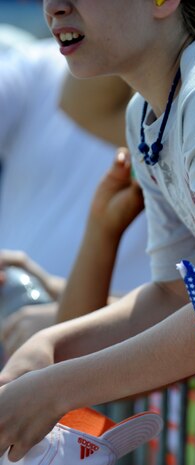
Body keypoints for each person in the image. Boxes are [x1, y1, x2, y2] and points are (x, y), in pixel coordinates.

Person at [0, 0, 195, 460]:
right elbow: (175, 294)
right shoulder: (146, 112)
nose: (53, 7)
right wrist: (49, 347)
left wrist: (54, 389)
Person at [0, 35, 150, 356]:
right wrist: (73, 314)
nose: (56, 6)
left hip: (135, 389)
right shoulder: (35, 66)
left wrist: (76, 325)